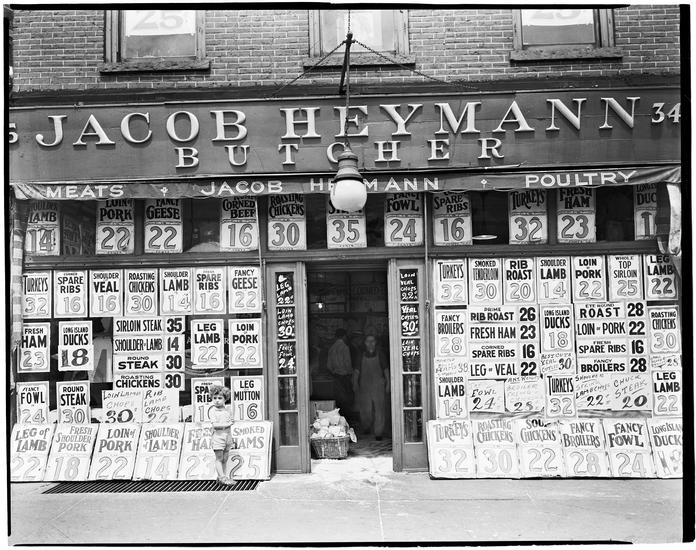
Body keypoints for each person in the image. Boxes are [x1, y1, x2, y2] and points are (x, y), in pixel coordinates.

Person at [353, 335, 390, 440]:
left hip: (379, 385)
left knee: (380, 409)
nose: (370, 343)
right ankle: (366, 426)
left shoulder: (380, 354)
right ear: (364, 343)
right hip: (365, 385)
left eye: (372, 341)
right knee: (365, 409)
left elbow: (386, 370)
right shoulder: (360, 355)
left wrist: (388, 383)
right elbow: (356, 371)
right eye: (368, 341)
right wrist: (355, 383)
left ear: (375, 342)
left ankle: (378, 433)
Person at [209, 385, 236, 486]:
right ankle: (223, 478)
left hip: (227, 436)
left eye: (220, 398)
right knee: (219, 458)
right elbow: (215, 425)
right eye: (215, 398)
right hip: (218, 437)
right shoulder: (213, 411)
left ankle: (222, 476)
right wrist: (228, 424)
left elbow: (231, 421)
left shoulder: (227, 410)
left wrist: (231, 422)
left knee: (225, 458)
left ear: (225, 399)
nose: (217, 400)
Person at [326, 328, 354, 414]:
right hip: (345, 376)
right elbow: (347, 363)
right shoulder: (345, 347)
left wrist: (334, 371)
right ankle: (346, 415)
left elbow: (328, 365)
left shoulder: (331, 348)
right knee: (346, 398)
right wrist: (351, 374)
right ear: (344, 336)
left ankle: (340, 414)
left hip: (336, 376)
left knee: (338, 398)